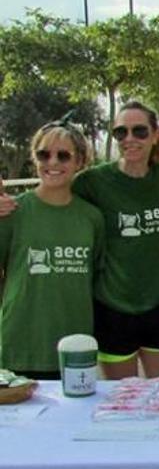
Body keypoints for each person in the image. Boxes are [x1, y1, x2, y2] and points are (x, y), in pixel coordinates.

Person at [71, 101, 159, 380]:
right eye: (121, 133)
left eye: (139, 131)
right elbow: (50, 197)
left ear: (156, 134)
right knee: (121, 406)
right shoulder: (92, 181)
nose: (129, 139)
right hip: (113, 307)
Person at [0, 118, 104, 379]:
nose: (52, 163)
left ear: (80, 161)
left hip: (75, 347)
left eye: (63, 156)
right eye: (43, 154)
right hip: (20, 346)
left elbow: (96, 278)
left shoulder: (92, 218)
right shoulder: (13, 212)